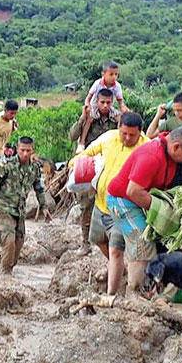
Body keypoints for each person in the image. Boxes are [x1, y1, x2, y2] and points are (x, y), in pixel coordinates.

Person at [106, 125, 182, 296]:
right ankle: (134, 293)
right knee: (144, 245)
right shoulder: (152, 155)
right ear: (176, 147)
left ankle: (139, 289)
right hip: (123, 201)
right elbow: (133, 191)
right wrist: (164, 212)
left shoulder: (170, 154)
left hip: (139, 199)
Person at [75, 112, 148, 265]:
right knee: (97, 239)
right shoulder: (109, 137)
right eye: (124, 133)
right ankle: (120, 269)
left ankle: (118, 275)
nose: (127, 138)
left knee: (116, 249)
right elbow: (87, 153)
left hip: (123, 208)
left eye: (132, 135)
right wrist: (73, 165)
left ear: (140, 132)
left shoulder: (146, 148)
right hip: (100, 204)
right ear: (118, 127)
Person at [0, 136, 51, 274]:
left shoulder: (34, 169)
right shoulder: (7, 166)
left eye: (28, 150)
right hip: (4, 208)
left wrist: (44, 207)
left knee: (18, 244)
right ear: (17, 149)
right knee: (8, 242)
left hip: (20, 211)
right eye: (22, 150)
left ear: (33, 150)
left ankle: (7, 268)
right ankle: (5, 274)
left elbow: (39, 188)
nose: (25, 154)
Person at [69, 88, 122, 254]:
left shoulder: (116, 119)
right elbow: (72, 136)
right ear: (97, 102)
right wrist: (83, 118)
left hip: (110, 166)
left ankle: (109, 243)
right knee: (86, 205)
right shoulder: (90, 116)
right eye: (102, 102)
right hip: (90, 167)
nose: (105, 106)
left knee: (111, 205)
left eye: (108, 103)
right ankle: (85, 243)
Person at [81, 62, 128, 149]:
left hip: (109, 106)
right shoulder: (97, 83)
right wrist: (88, 106)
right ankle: (82, 142)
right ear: (103, 74)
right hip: (95, 105)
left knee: (120, 119)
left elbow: (120, 102)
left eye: (116, 74)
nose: (114, 77)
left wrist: (124, 109)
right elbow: (88, 97)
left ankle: (120, 142)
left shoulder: (117, 86)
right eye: (111, 74)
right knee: (89, 119)